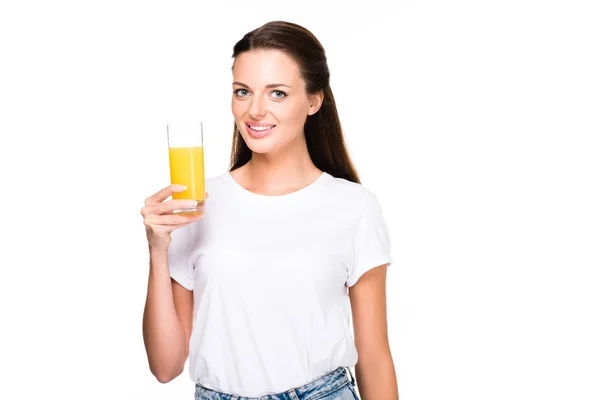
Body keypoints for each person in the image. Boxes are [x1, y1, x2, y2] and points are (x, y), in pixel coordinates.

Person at [141, 21, 398, 400]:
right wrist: (157, 250)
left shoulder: (354, 207)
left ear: (314, 101)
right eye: (242, 92)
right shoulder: (197, 205)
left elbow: (374, 356)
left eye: (277, 93)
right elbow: (165, 367)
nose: (255, 110)